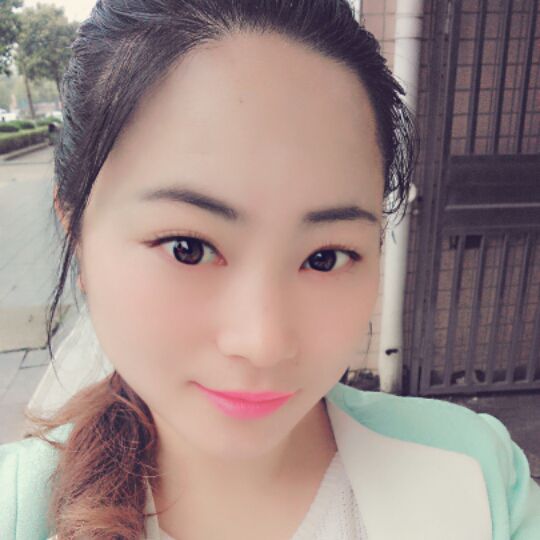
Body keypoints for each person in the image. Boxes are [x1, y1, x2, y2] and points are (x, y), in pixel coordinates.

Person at [0, 1, 538, 538]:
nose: (263, 343)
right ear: (76, 233)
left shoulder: (476, 482)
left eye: (325, 257)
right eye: (189, 248)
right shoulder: (18, 509)